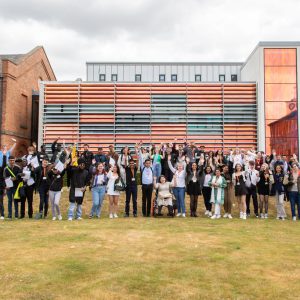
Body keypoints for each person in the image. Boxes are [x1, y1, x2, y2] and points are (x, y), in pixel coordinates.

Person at [0, 150, 8, 219]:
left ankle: (2, 214)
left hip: (0, 188)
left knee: (0, 202)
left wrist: (4, 155)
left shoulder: (1, 169)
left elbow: (4, 164)